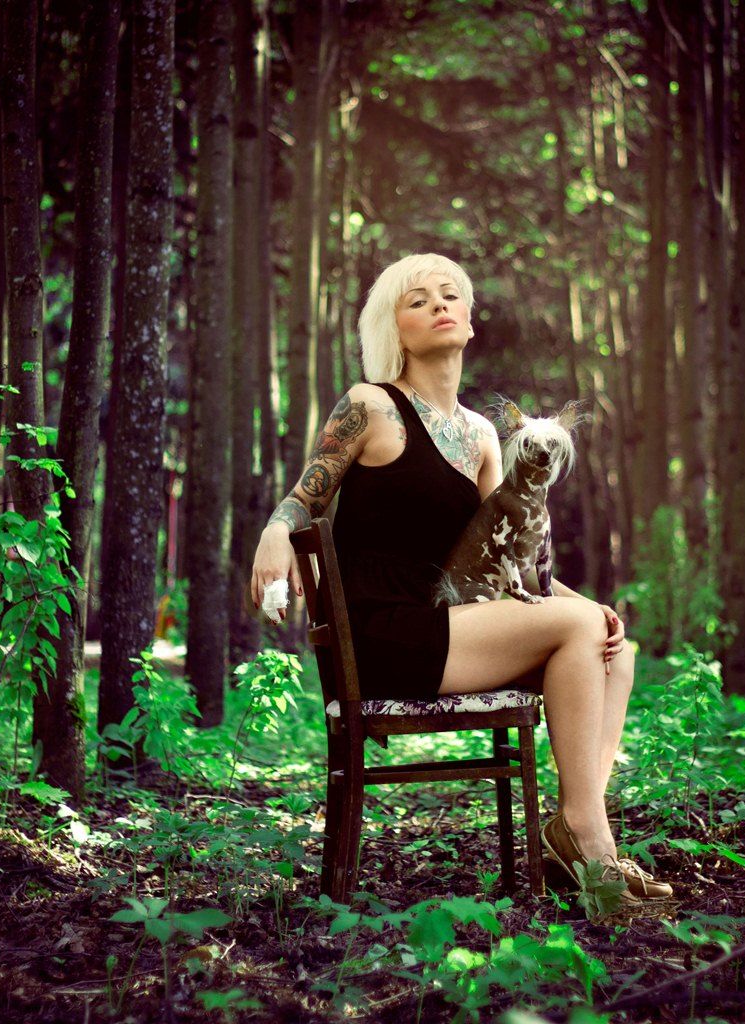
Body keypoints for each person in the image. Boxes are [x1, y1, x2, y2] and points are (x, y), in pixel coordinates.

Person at [250, 253, 672, 901]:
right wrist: (276, 531)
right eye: (417, 300)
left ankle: (578, 829)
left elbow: (510, 560)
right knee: (581, 627)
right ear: (394, 328)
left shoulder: (480, 435)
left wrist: (583, 604)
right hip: (387, 633)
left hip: (455, 627)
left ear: (470, 320)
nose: (439, 305)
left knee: (618, 651)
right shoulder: (371, 405)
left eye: (450, 295)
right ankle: (591, 848)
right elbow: (306, 495)